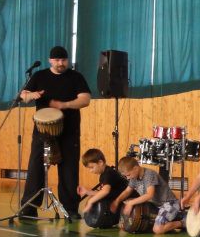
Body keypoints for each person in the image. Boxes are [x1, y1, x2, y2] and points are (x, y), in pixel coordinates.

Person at [19, 45, 91, 219]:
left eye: (63, 60)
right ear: (50, 60)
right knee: (36, 168)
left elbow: (85, 99)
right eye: (57, 60)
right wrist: (31, 95)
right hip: (42, 131)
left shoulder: (76, 77)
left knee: (69, 170)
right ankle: (28, 208)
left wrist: (64, 105)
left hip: (69, 130)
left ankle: (70, 209)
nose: (60, 63)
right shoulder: (39, 76)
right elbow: (23, 95)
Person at [114, 156, 183, 234]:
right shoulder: (134, 178)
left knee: (157, 230)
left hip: (169, 204)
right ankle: (168, 223)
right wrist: (117, 201)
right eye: (126, 176)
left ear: (135, 168)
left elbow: (149, 195)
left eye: (128, 175)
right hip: (155, 206)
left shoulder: (149, 174)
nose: (128, 178)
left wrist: (131, 203)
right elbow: (127, 191)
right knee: (124, 225)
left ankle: (183, 223)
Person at [76, 148, 128, 225]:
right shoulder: (104, 174)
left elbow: (105, 192)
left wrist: (90, 201)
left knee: (95, 199)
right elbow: (103, 192)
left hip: (128, 198)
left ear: (100, 162)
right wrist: (87, 192)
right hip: (118, 198)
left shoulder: (108, 173)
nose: (90, 171)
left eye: (92, 167)